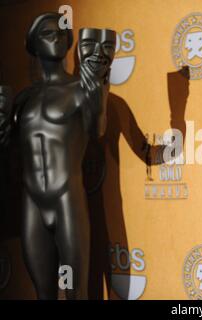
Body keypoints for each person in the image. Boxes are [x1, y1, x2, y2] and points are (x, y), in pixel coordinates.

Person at [13, 12, 115, 299]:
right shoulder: (22, 99)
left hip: (67, 200)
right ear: (32, 44)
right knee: (43, 292)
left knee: (75, 291)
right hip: (31, 202)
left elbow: (97, 131)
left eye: (61, 34)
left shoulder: (81, 89)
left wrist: (97, 98)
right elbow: (11, 155)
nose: (56, 38)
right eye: (47, 34)